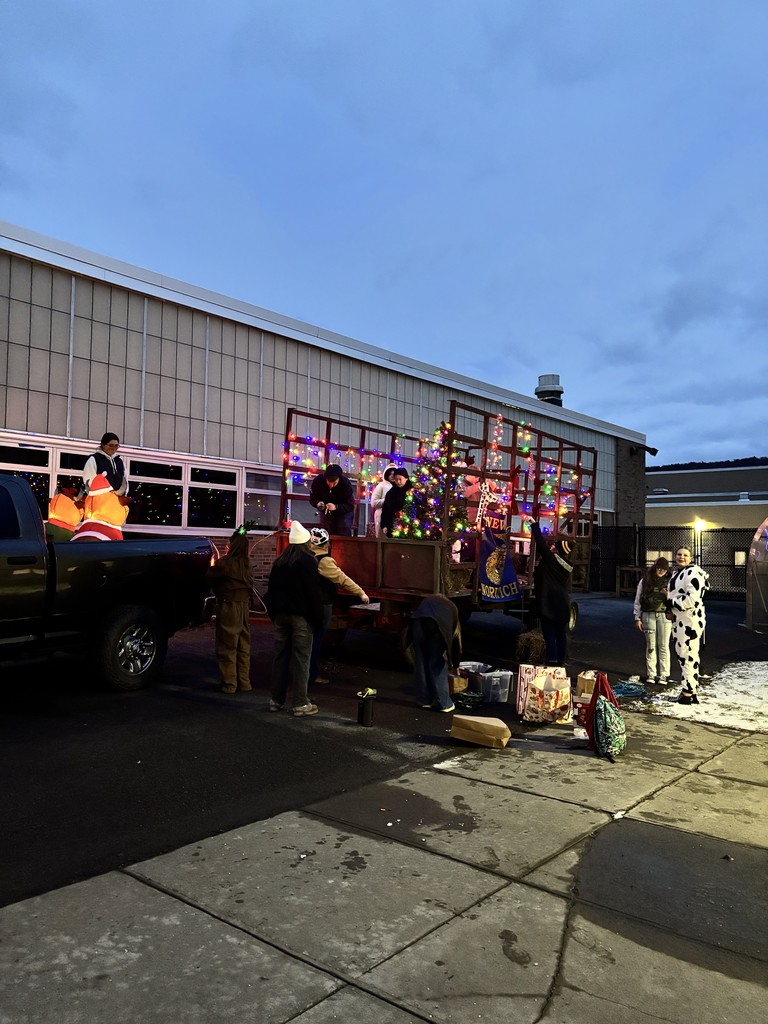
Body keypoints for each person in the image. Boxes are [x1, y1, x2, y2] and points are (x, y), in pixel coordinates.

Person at [264, 520, 325, 716]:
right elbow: (313, 593)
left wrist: (274, 614)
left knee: (280, 658)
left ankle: (276, 700)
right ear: (305, 543)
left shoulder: (279, 562)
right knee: (301, 660)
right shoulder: (308, 562)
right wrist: (317, 619)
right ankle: (300, 703)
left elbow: (271, 591)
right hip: (301, 618)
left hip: (280, 616)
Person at [308, 527, 369, 685]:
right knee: (316, 640)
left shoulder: (307, 557)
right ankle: (312, 674)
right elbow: (343, 579)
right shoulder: (324, 561)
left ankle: (305, 673)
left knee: (309, 640)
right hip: (322, 604)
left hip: (310, 603)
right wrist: (361, 593)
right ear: (325, 544)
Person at [207, 527, 253, 694]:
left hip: (229, 606)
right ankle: (244, 683)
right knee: (243, 645)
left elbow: (209, 578)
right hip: (244, 607)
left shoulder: (225, 563)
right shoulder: (247, 564)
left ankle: (229, 684)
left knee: (227, 645)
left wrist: (212, 563)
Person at [524, 515, 573, 667]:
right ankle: (560, 662)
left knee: (550, 636)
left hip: (549, 604)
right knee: (560, 634)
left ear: (557, 549)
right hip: (562, 604)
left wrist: (534, 524)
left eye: (554, 546)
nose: (551, 547)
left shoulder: (552, 560)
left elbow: (540, 543)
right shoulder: (567, 565)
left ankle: (552, 663)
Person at [666, 546, 709, 704]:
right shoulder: (680, 573)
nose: (681, 557)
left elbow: (692, 600)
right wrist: (671, 608)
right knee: (688, 655)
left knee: (686, 656)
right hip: (682, 620)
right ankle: (691, 690)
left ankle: (687, 693)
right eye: (679, 554)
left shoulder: (692, 573)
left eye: (685, 555)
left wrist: (670, 603)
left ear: (691, 558)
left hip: (688, 622)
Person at [408, 594, 462, 712]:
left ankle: (424, 700)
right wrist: (456, 665)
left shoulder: (432, 601)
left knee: (421, 661)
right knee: (437, 663)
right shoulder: (453, 611)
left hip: (418, 622)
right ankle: (444, 704)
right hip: (437, 626)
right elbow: (456, 642)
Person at [633, 557, 673, 684]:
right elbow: (638, 599)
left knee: (663, 645)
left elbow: (676, 599)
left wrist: (668, 595)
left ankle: (664, 674)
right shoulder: (645, 580)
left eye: (663, 570)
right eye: (659, 568)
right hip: (648, 614)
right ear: (655, 568)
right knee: (651, 645)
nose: (661, 571)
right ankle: (651, 673)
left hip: (664, 615)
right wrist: (637, 617)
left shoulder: (671, 581)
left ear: (667, 570)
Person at [309, 464, 355, 536]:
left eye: (334, 483)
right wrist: (317, 503)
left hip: (344, 512)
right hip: (326, 512)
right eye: (328, 482)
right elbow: (312, 498)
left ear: (339, 479)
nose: (331, 485)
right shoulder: (318, 481)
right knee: (326, 532)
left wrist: (336, 507)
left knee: (344, 528)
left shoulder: (345, 484)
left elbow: (350, 505)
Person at [83, 433, 129, 498]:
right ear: (103, 445)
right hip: (100, 499)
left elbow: (125, 480)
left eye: (116, 446)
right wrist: (106, 493)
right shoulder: (94, 459)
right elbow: (90, 480)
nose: (114, 448)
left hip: (118, 499)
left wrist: (123, 492)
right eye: (111, 445)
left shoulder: (119, 461)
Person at [380, 467, 412, 536]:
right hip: (393, 527)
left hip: (410, 526)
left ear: (406, 478)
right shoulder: (391, 493)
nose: (398, 482)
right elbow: (385, 509)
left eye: (400, 479)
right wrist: (384, 525)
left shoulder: (412, 491)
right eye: (396, 479)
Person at [369, 464, 398, 537]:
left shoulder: (400, 487)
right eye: (390, 474)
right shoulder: (381, 485)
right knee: (383, 539)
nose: (392, 476)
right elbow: (373, 502)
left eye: (394, 474)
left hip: (397, 519)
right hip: (383, 517)